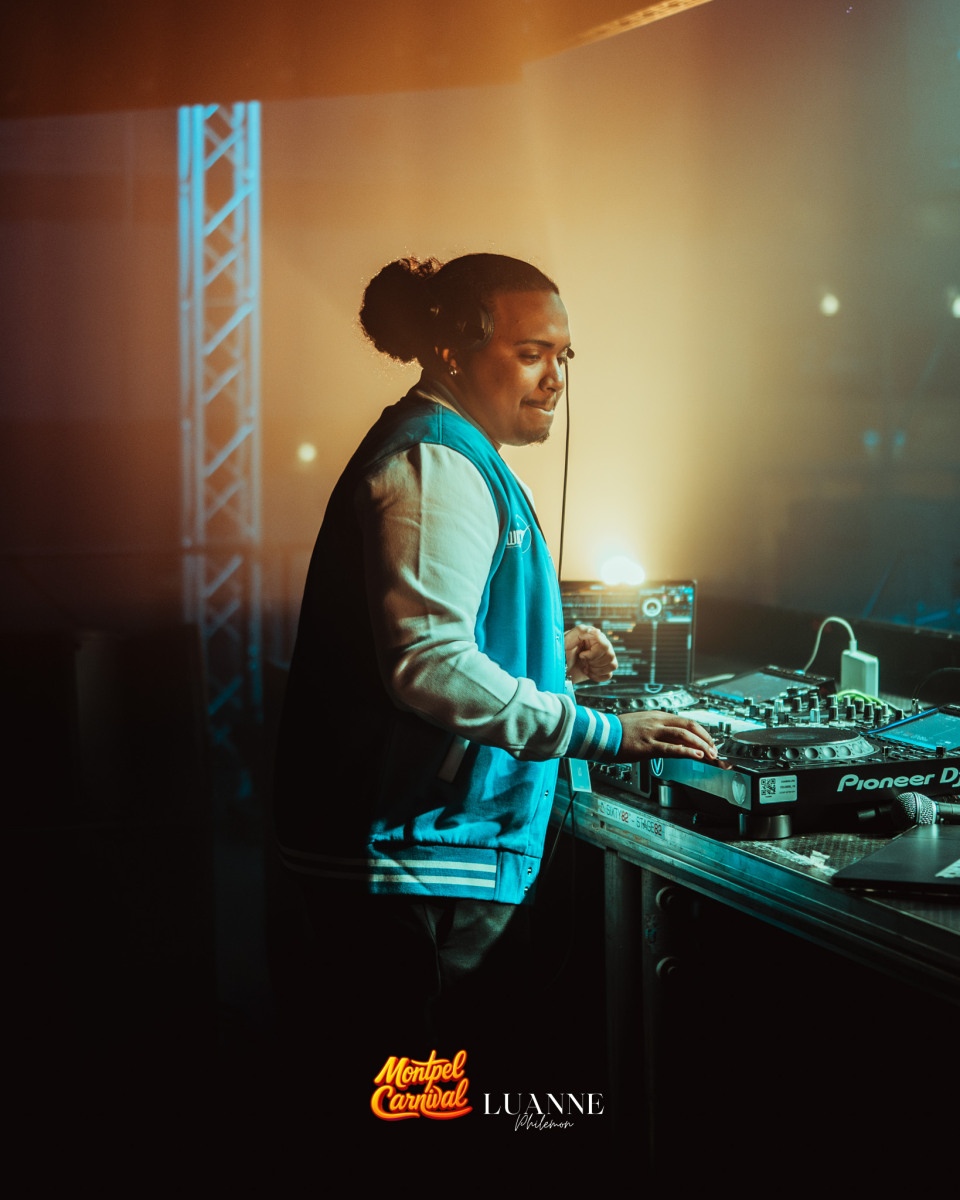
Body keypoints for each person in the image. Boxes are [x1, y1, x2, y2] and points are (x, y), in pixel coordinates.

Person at [271, 253, 719, 1115]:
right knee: (421, 1118)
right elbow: (429, 664)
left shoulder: (452, 451)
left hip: (425, 855)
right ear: (453, 350)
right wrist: (603, 731)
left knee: (441, 1113)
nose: (555, 379)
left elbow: (432, 633)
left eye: (564, 356)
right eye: (530, 352)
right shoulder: (436, 463)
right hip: (413, 863)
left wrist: (547, 651)